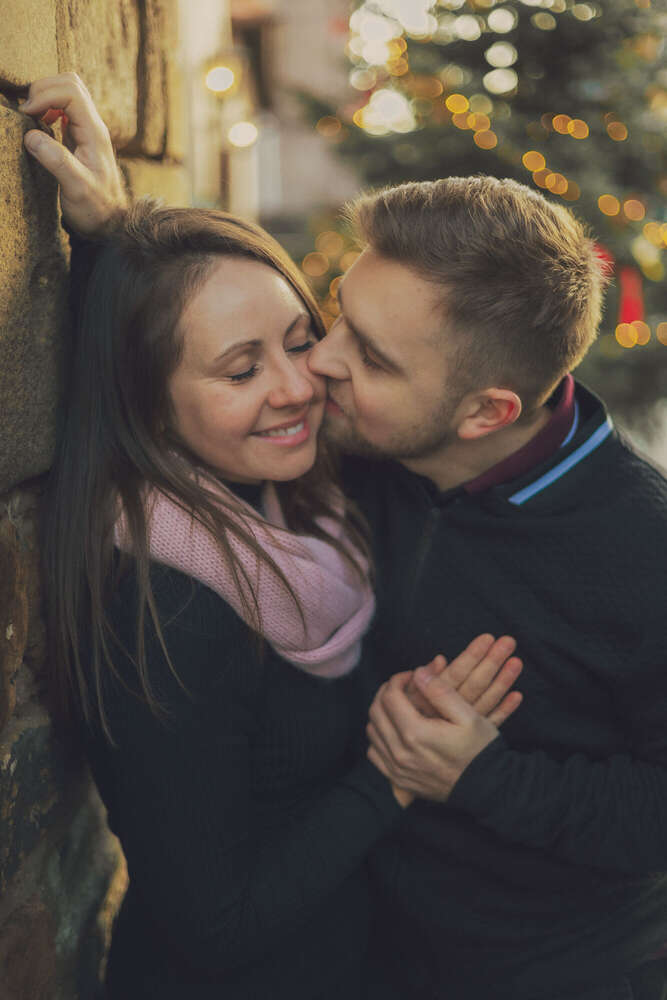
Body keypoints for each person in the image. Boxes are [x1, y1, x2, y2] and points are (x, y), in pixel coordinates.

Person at [24, 76, 522, 1000]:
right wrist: (392, 774)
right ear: (150, 409)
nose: (298, 385)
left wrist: (113, 234)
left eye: (299, 340)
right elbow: (215, 928)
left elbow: (155, 336)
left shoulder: (295, 500)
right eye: (242, 368)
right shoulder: (170, 604)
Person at [306, 180, 667, 999]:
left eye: (369, 355)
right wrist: (120, 238)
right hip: (360, 945)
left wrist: (482, 776)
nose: (320, 359)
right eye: (338, 312)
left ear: (485, 413)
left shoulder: (646, 555)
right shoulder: (365, 436)